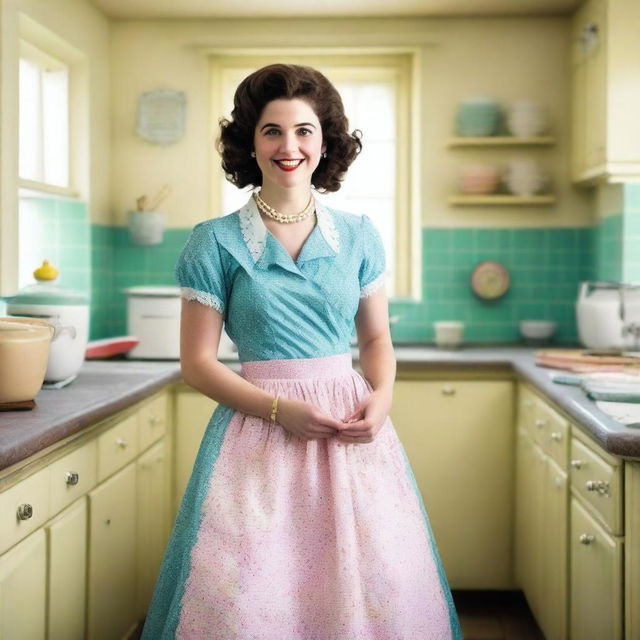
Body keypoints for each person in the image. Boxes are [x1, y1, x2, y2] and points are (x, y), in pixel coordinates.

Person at [141, 63, 462, 640]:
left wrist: (383, 395)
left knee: (368, 585)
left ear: (325, 140)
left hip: (350, 429)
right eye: (272, 131)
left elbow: (374, 339)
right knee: (249, 590)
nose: (289, 146)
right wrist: (278, 410)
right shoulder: (213, 240)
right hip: (255, 435)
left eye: (304, 131)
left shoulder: (359, 234)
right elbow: (198, 363)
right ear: (250, 142)